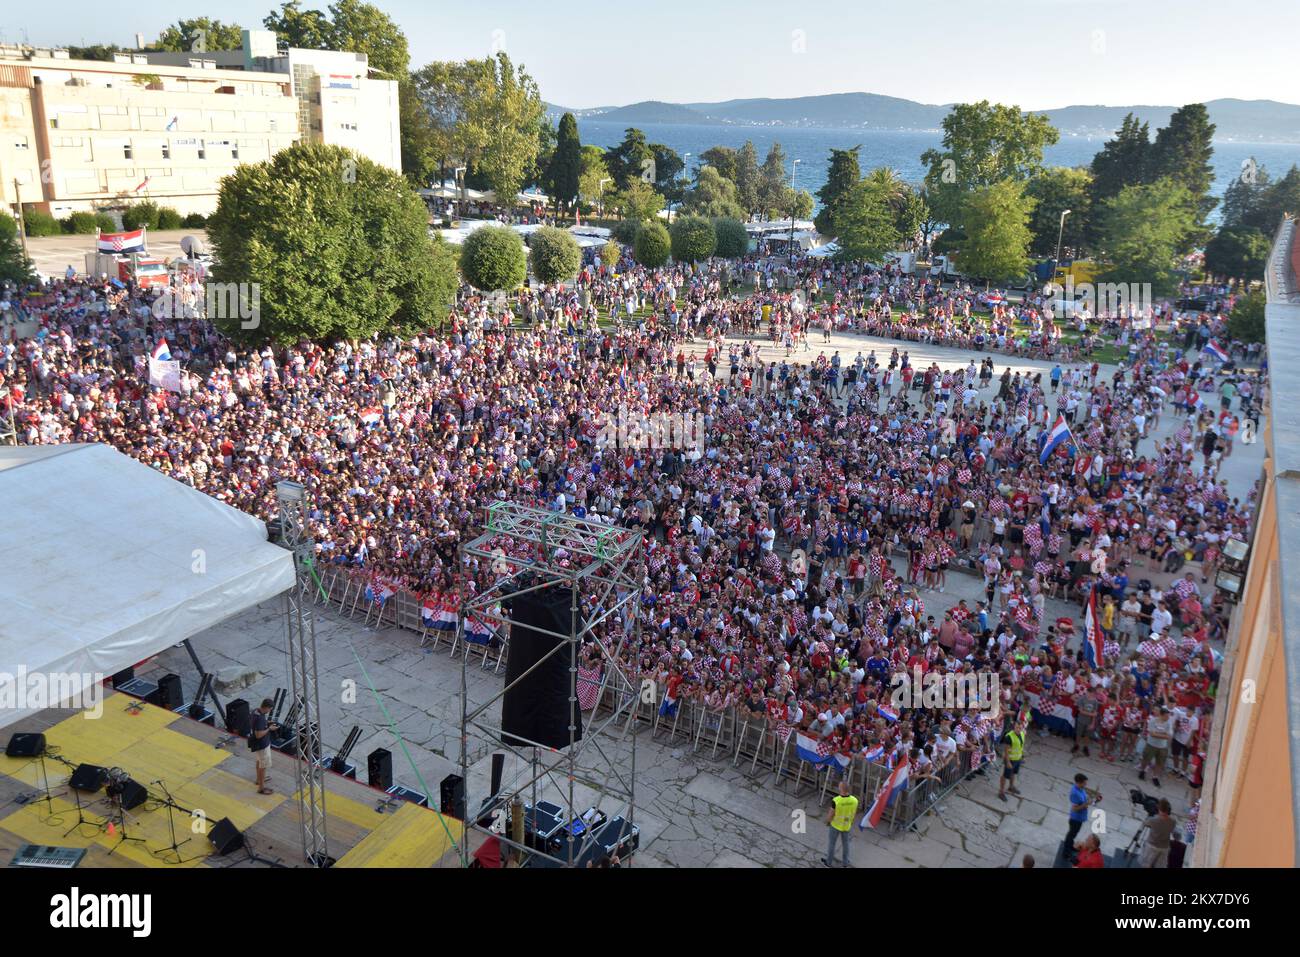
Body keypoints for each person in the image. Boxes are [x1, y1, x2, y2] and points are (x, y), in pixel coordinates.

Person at [1064, 772, 1101, 861]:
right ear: (1079, 782)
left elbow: (1085, 801)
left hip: (1080, 818)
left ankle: (1070, 847)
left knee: (1073, 834)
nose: (1086, 784)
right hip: (1075, 819)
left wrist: (1094, 800)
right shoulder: (1074, 793)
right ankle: (1066, 853)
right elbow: (1075, 808)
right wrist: (1085, 804)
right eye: (1084, 783)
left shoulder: (1081, 789)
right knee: (1071, 835)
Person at [822, 778, 858, 868]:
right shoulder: (855, 800)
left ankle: (828, 862)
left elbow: (831, 814)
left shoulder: (836, 800)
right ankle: (845, 863)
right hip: (846, 825)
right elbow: (853, 813)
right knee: (846, 844)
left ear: (841, 789)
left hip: (835, 825)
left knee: (832, 844)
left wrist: (827, 821)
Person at [1138, 705, 1173, 787]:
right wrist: (1163, 734)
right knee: (1146, 759)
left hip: (1162, 747)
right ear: (1161, 715)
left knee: (1159, 763)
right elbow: (1152, 734)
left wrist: (1157, 734)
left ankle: (1155, 777)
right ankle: (1142, 771)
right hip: (1151, 744)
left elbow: (1169, 736)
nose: (1168, 717)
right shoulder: (1153, 721)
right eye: (1166, 716)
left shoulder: (1168, 723)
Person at [249, 698, 279, 795]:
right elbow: (258, 734)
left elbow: (257, 727)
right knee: (263, 766)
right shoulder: (260, 718)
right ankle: (261, 788)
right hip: (262, 745)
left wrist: (267, 723)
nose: (270, 711)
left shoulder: (255, 711)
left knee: (259, 761)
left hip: (257, 745)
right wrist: (269, 728)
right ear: (267, 708)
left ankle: (259, 779)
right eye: (270, 709)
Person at [1141, 798, 1176, 868]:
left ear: (1159, 809)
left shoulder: (1153, 820)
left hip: (1152, 845)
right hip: (1164, 847)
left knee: (1146, 864)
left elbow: (1145, 823)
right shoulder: (1173, 821)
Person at [998, 721, 1025, 802]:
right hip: (1010, 759)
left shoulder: (1022, 734)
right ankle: (1001, 792)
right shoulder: (1009, 737)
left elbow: (1020, 746)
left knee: (1013, 773)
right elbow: (1006, 751)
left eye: (1020, 728)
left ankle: (1011, 787)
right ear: (1014, 727)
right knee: (1005, 776)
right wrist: (1008, 762)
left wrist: (1022, 756)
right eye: (1017, 727)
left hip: (1018, 759)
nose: (1018, 729)